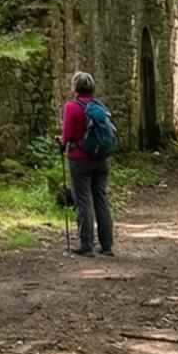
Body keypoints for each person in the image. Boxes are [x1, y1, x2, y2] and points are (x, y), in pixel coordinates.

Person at [61, 71, 115, 257]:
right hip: (101, 158)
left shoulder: (72, 107)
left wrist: (61, 142)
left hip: (79, 158)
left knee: (83, 200)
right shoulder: (98, 106)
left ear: (75, 88)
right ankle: (107, 245)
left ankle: (86, 244)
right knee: (101, 198)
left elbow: (67, 136)